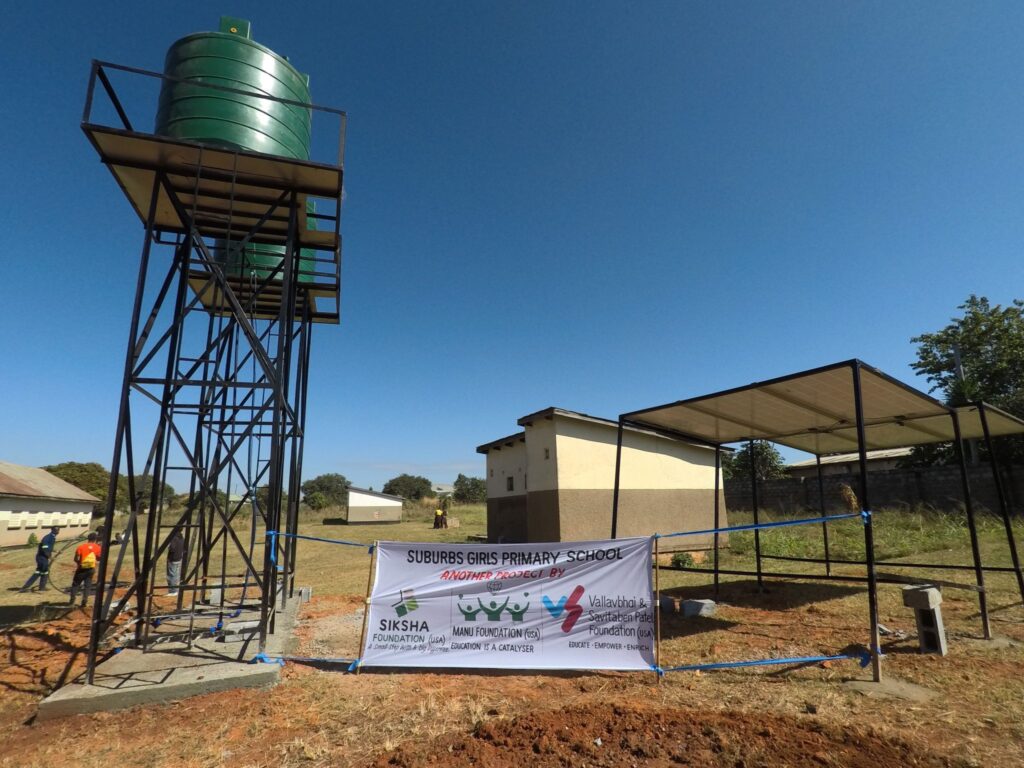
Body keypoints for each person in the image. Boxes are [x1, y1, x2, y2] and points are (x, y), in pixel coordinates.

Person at [19, 526, 59, 593]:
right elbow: (44, 548)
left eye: (58, 530)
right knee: (39, 572)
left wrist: (55, 551)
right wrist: (50, 557)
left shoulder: (53, 537)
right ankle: (24, 588)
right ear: (52, 530)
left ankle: (42, 587)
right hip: (41, 558)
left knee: (45, 572)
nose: (57, 531)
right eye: (56, 530)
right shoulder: (48, 537)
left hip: (45, 558)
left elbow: (49, 547)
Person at [69, 532, 102, 608]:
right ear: (95, 539)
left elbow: (76, 558)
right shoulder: (97, 547)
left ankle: (72, 601)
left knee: (75, 585)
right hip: (91, 569)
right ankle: (84, 602)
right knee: (87, 586)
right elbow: (99, 558)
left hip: (81, 569)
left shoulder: (81, 547)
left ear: (88, 538)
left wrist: (79, 563)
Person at [166, 530, 185, 597]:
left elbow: (172, 548)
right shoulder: (181, 537)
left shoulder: (174, 538)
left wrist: (169, 547)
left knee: (171, 575)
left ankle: (172, 591)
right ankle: (176, 589)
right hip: (179, 558)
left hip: (172, 558)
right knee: (176, 575)